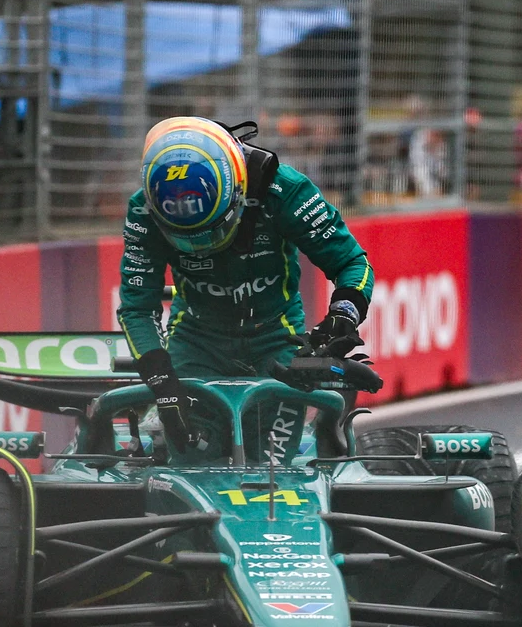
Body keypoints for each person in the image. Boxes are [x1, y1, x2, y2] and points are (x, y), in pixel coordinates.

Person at [118, 116, 374, 453]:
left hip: (277, 341)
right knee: (189, 454)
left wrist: (341, 318)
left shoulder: (284, 190)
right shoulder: (142, 211)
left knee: (271, 462)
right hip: (197, 341)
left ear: (238, 189)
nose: (201, 244)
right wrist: (161, 380)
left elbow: (351, 263)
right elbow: (137, 306)